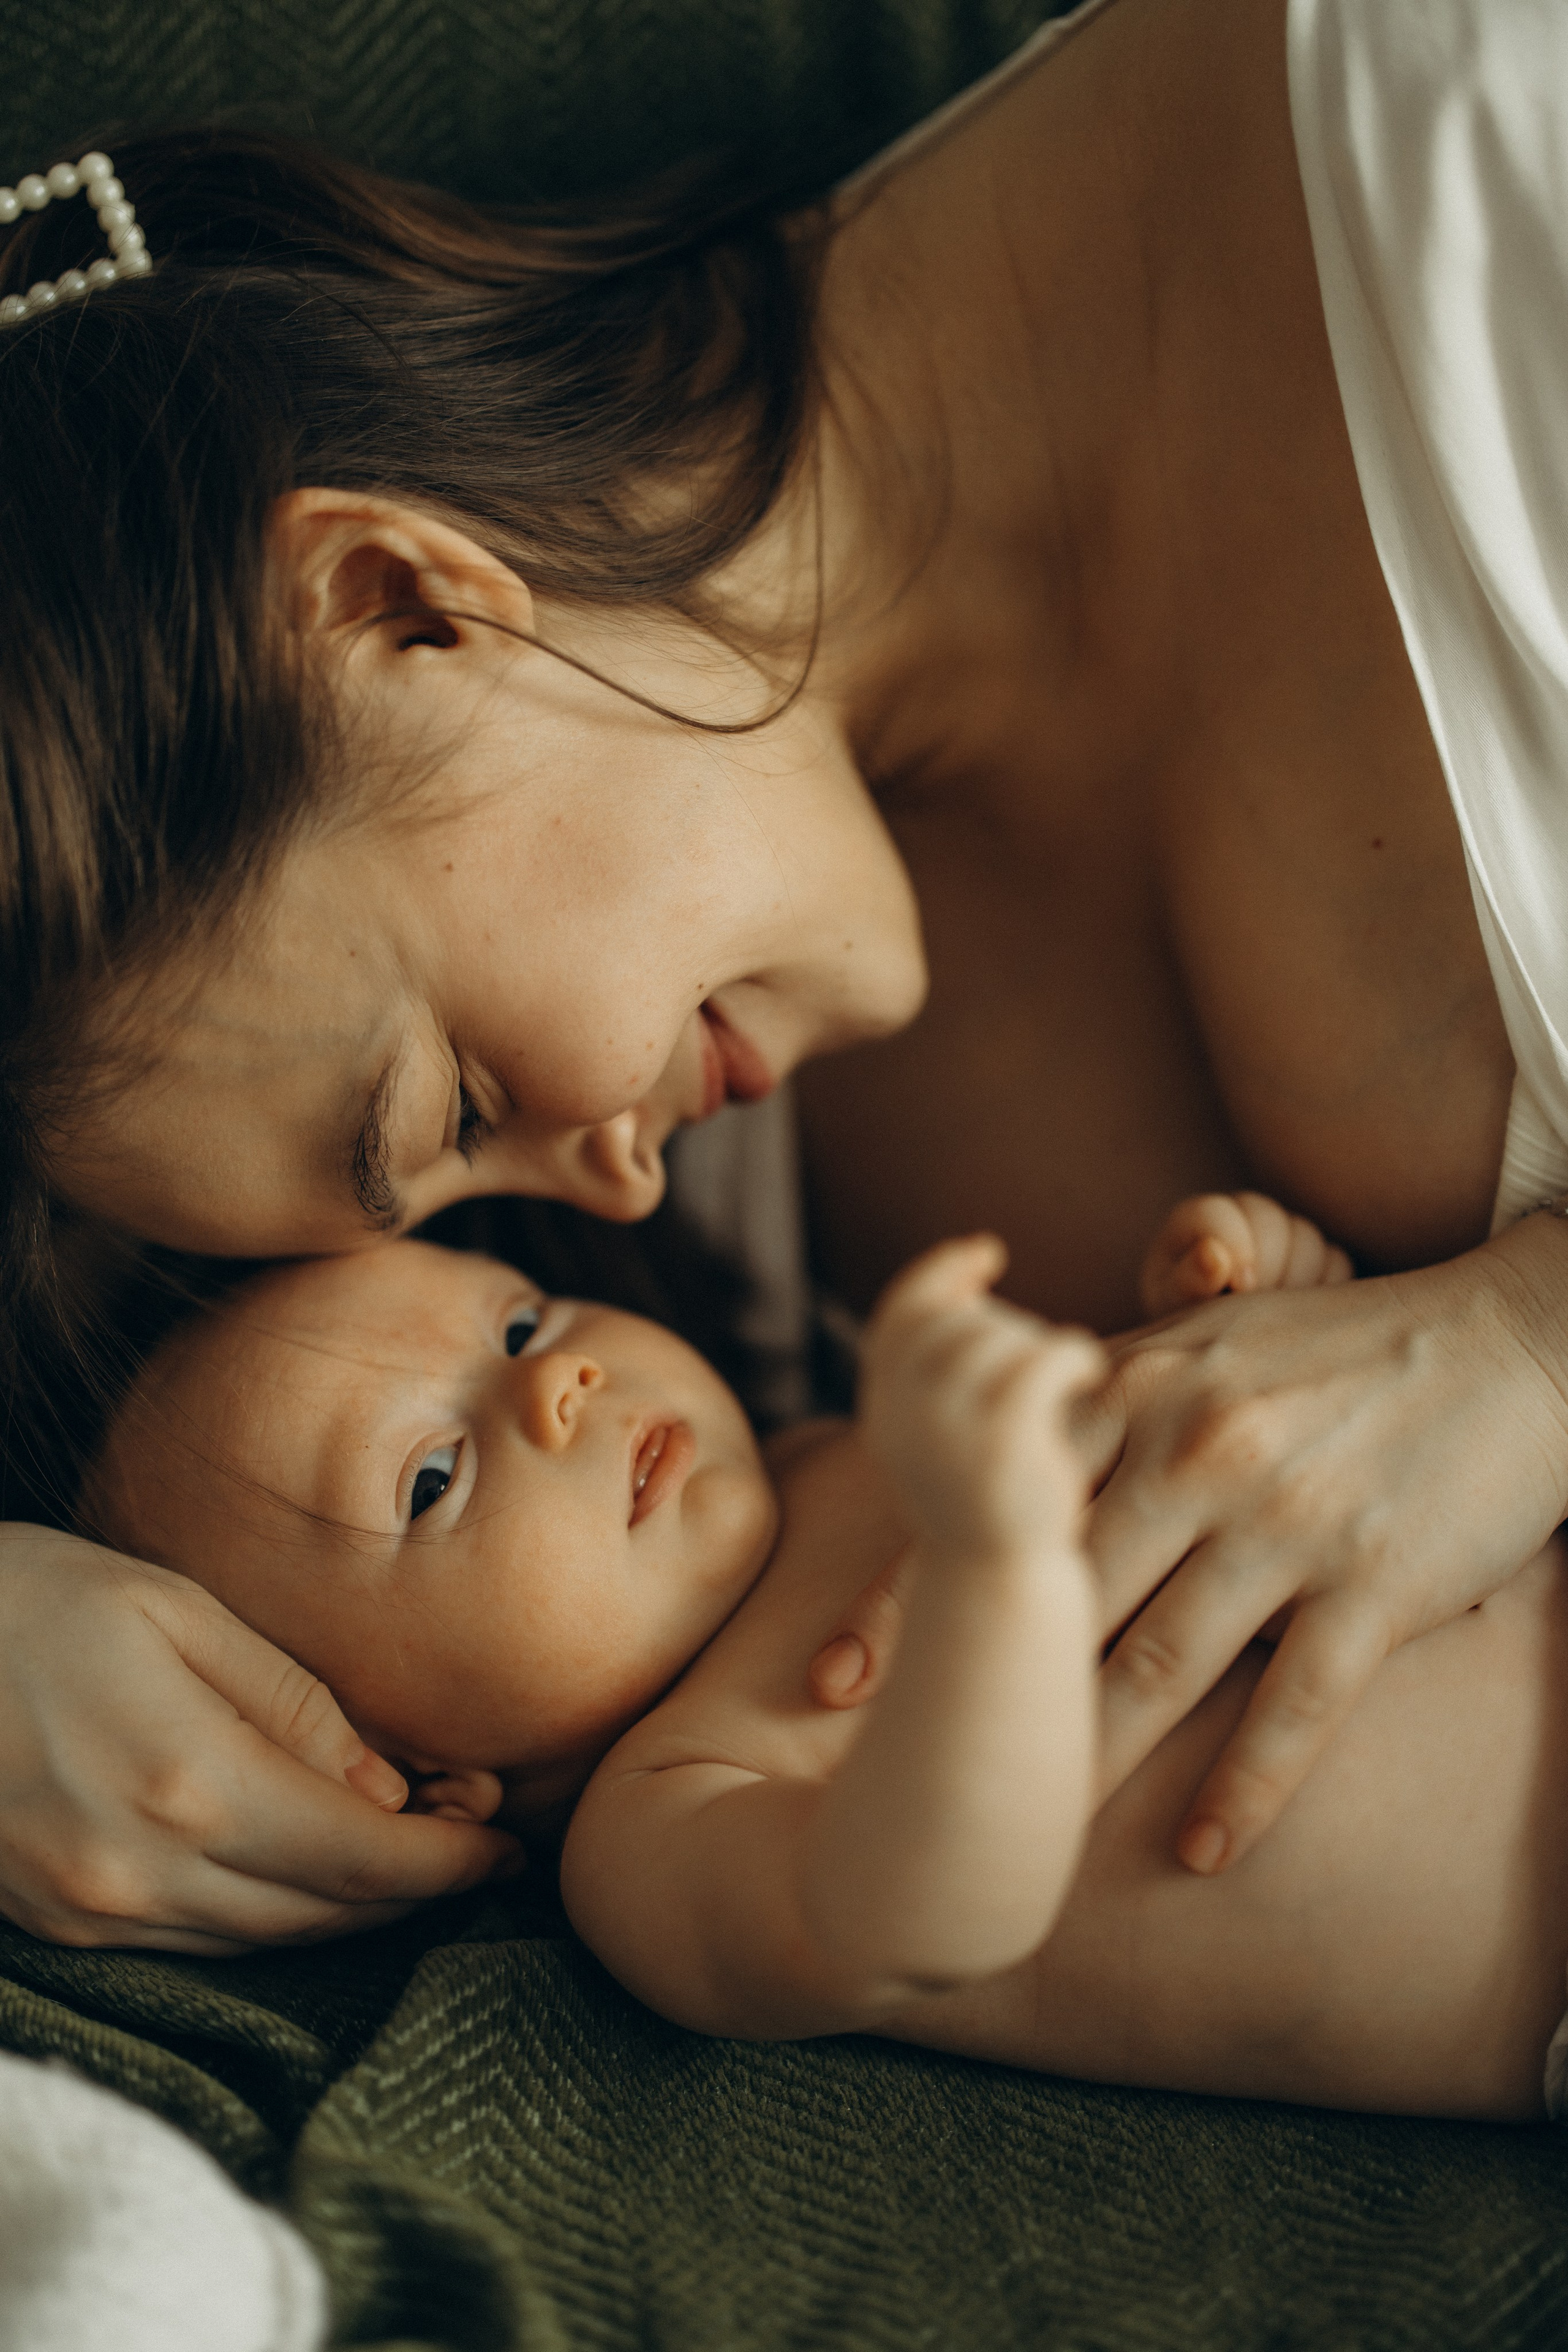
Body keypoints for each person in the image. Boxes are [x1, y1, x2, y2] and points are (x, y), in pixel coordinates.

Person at [6, 0, 1568, 1954]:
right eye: (464, 1209)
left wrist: (1530, 1354)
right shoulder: (725, 1197)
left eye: (461, 1106)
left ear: (400, 603)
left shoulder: (1511, 146)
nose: (609, 1195)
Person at [80, 1198, 1568, 2119]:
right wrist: (991, 1568)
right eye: (430, 1477)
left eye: (519, 1323)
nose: (556, 1387)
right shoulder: (655, 1832)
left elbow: (1252, 1465)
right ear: (413, 1774)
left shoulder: (818, 1438)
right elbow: (930, 1912)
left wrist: (1263, 1305)